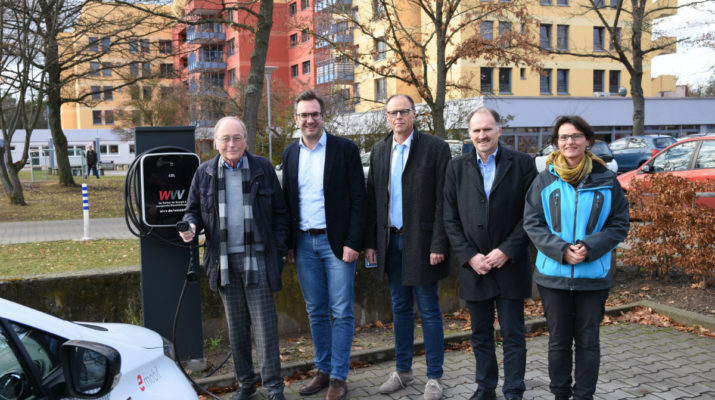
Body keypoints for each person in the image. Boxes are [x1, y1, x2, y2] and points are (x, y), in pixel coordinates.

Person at [179, 116, 290, 400]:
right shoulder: (204, 173)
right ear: (215, 142)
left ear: (245, 140)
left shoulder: (262, 168)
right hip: (224, 263)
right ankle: (246, 386)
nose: (231, 144)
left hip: (259, 263)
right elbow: (193, 211)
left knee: (266, 331)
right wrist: (190, 227)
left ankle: (274, 388)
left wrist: (277, 251)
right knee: (238, 331)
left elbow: (281, 213)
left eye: (237, 138)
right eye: (225, 139)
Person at [523, 116, 629, 400]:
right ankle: (560, 395)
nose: (570, 142)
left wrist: (590, 247)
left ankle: (584, 396)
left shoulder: (607, 179)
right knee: (558, 343)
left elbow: (619, 223)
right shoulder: (544, 179)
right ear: (556, 143)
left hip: (593, 277)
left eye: (576, 136)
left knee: (588, 343)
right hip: (553, 277)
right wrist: (560, 250)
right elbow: (533, 223)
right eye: (563, 137)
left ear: (587, 140)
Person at [443, 107, 538, 400]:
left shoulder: (522, 164)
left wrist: (506, 251)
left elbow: (532, 215)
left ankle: (513, 391)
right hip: (476, 268)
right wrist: (470, 256)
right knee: (480, 335)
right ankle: (485, 388)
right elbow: (450, 219)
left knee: (513, 334)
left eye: (487, 129)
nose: (482, 135)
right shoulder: (456, 168)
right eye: (476, 131)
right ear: (469, 134)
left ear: (499, 130)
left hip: (510, 265)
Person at [365, 94, 451, 400]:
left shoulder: (435, 149)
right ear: (386, 117)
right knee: (400, 309)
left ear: (415, 114)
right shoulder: (378, 150)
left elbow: (444, 201)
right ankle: (402, 371)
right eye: (392, 112)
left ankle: (434, 378)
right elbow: (373, 200)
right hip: (391, 242)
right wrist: (372, 244)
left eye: (403, 111)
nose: (398, 117)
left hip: (424, 243)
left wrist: (439, 242)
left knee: (429, 310)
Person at [281, 90, 366, 400]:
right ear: (296, 119)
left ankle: (339, 378)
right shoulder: (290, 154)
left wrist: (354, 241)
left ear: (323, 116)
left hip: (338, 243)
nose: (310, 119)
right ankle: (323, 370)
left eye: (314, 113)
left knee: (342, 311)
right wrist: (289, 243)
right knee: (316, 310)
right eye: (304, 115)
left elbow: (359, 198)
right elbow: (289, 202)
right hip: (303, 244)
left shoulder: (345, 150)